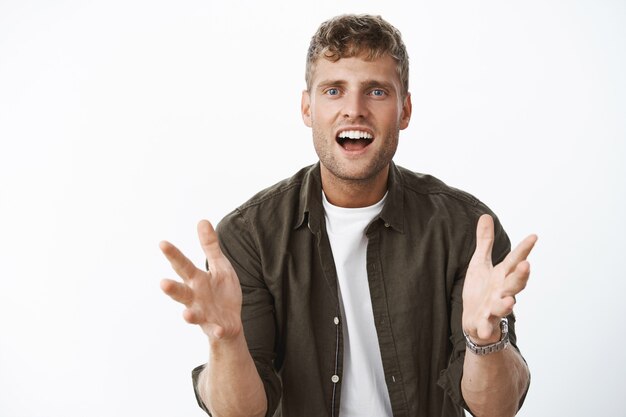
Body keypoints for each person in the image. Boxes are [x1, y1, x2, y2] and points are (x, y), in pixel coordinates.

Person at [159, 14, 537, 417]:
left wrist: (485, 341)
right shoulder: (249, 237)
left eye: (376, 91)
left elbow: (497, 409)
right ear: (308, 108)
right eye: (334, 90)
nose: (353, 110)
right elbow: (240, 412)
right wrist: (228, 341)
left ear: (405, 110)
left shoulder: (466, 231)